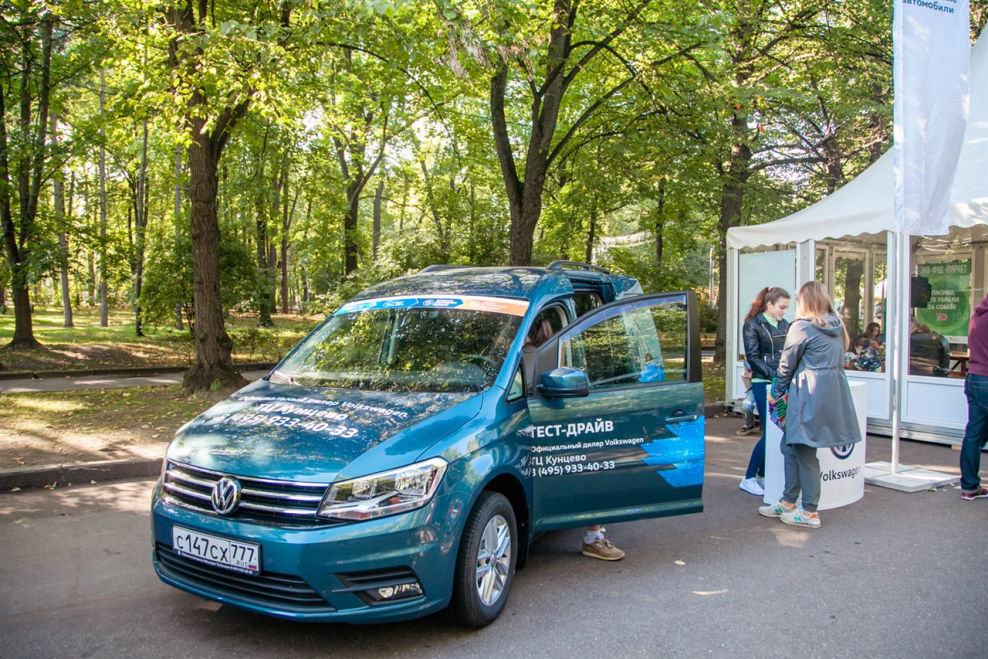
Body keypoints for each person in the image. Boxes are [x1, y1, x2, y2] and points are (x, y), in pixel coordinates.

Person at [759, 282, 862, 528]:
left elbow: (786, 366)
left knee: (804, 451)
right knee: (790, 445)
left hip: (807, 394)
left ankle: (809, 512)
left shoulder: (802, 327)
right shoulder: (836, 326)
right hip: (830, 394)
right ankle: (788, 501)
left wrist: (775, 393)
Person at [524, 315, 625, 558]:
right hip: (550, 426)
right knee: (593, 468)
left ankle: (592, 534)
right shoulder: (542, 356)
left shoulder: (525, 355)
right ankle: (593, 538)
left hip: (540, 428)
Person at [739, 287, 790, 496]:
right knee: (771, 431)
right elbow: (753, 357)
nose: (784, 312)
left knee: (776, 431)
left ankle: (760, 475)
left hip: (779, 381)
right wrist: (774, 375)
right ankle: (749, 477)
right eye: (781, 307)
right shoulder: (753, 324)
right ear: (769, 305)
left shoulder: (785, 324)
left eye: (786, 308)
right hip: (763, 382)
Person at [959, 294, 988, 501]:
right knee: (976, 435)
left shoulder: (977, 316)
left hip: (974, 378)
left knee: (974, 434)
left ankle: (969, 486)